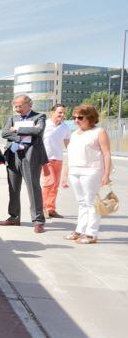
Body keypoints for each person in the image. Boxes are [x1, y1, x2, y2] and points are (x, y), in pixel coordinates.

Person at [61, 104, 112, 244]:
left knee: (92, 203)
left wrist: (106, 175)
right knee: (81, 202)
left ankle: (91, 234)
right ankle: (79, 230)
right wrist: (65, 174)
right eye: (75, 118)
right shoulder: (75, 134)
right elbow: (70, 155)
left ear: (90, 117)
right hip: (74, 171)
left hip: (92, 171)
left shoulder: (99, 132)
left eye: (80, 118)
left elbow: (107, 154)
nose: (76, 120)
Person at [0, 94, 48, 233]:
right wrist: (20, 137)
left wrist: (17, 130)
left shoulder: (39, 117)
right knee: (13, 188)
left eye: (19, 106)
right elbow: (4, 133)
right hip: (13, 155)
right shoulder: (12, 118)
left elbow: (38, 131)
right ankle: (14, 217)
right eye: (15, 106)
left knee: (33, 188)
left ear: (29, 104)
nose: (17, 109)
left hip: (31, 157)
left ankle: (38, 220)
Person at [41, 103, 71, 219]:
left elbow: (67, 143)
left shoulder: (65, 127)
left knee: (55, 185)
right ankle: (42, 208)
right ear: (52, 113)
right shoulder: (44, 125)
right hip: (46, 159)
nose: (62, 115)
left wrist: (73, 155)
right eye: (60, 112)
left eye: (64, 113)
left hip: (58, 159)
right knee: (49, 183)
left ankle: (51, 209)